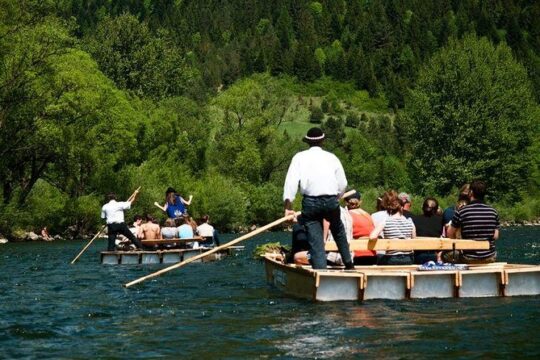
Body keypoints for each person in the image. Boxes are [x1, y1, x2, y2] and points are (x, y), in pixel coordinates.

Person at [283, 127, 353, 270]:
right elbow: (343, 183)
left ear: (308, 142)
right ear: (322, 141)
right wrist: (337, 197)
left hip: (311, 202)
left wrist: (288, 208)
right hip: (331, 200)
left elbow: (290, 183)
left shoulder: (299, 157)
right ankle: (349, 265)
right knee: (338, 230)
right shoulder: (332, 157)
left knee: (316, 241)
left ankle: (321, 272)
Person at [445, 180, 499, 264]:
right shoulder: (493, 212)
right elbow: (495, 236)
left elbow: (449, 233)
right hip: (490, 257)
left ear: (471, 192)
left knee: (445, 255)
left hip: (469, 257)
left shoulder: (462, 211)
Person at [369, 190, 416, 265]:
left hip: (391, 258)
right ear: (401, 208)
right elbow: (414, 240)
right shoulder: (410, 222)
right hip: (408, 259)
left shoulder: (386, 221)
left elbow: (372, 237)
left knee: (379, 259)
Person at [344, 191, 377, 265]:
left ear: (346, 202)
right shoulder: (367, 215)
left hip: (356, 255)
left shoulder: (347, 216)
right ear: (360, 201)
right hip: (371, 254)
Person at [412, 197, 443, 264]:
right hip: (434, 255)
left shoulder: (415, 219)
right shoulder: (441, 220)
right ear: (436, 209)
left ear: (423, 208)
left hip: (419, 254)